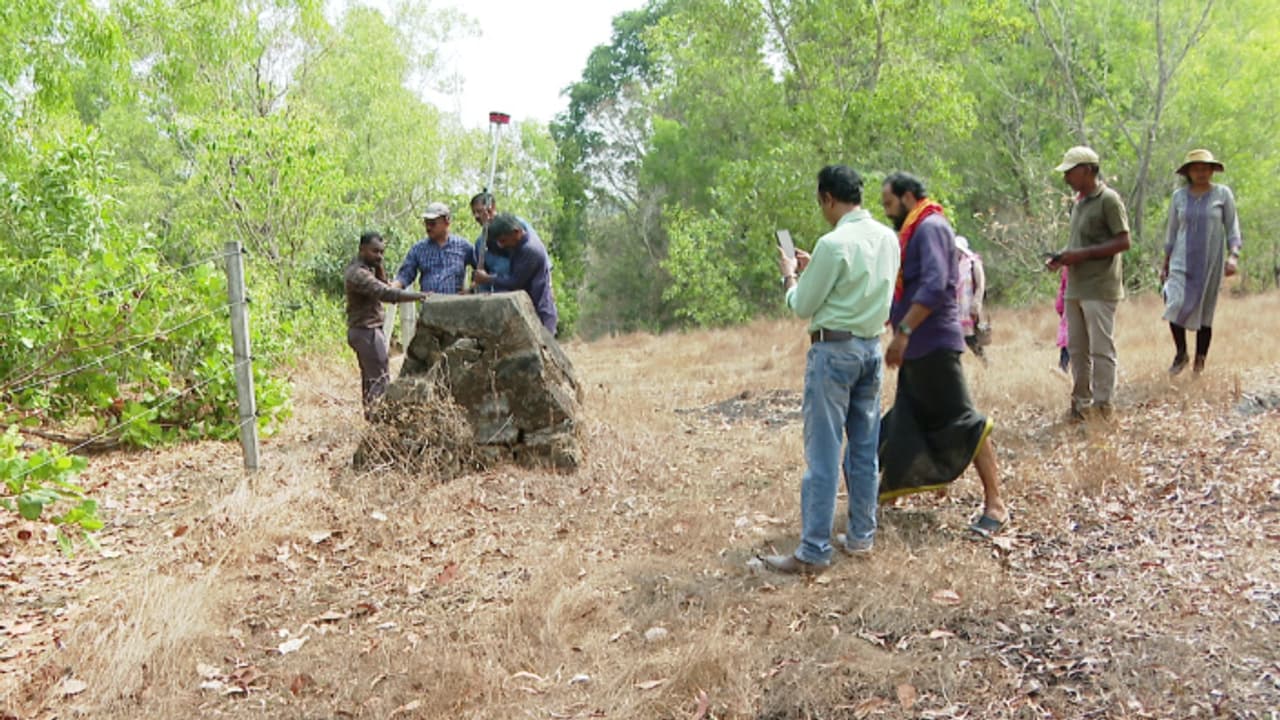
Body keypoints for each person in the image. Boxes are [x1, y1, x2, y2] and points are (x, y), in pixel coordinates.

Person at [761, 165, 899, 574]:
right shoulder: (887, 238)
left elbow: (802, 305)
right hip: (871, 348)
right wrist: (813, 267)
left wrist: (791, 279)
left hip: (833, 351)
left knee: (822, 453)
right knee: (863, 448)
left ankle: (814, 549)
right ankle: (861, 535)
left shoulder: (832, 243)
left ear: (827, 198)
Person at [878, 172, 1009, 537]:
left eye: (889, 203)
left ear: (907, 197)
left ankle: (996, 505)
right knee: (906, 420)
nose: (887, 212)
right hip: (917, 349)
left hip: (933, 342)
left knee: (964, 421)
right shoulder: (912, 231)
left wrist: (903, 332)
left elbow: (935, 287)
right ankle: (883, 501)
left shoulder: (931, 226)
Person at [1045, 146, 1131, 422]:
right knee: (1077, 349)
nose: (1067, 177)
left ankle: (1103, 406)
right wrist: (1062, 258)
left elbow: (1123, 241)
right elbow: (1080, 243)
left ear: (1087, 170)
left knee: (1101, 348)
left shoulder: (1109, 200)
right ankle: (1081, 405)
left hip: (1100, 287)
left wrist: (1079, 255)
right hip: (1076, 287)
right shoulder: (1078, 203)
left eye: (1071, 172)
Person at [1160, 149, 1242, 376]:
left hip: (1210, 263)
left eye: (1205, 168)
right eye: (1196, 168)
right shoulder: (1179, 196)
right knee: (1173, 303)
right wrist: (1165, 262)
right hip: (1180, 260)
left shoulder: (1222, 194)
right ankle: (1181, 352)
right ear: (1188, 172)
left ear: (1212, 170)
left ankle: (1200, 362)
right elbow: (1172, 231)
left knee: (1205, 312)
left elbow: (1232, 228)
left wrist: (1233, 255)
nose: (1201, 172)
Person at [344, 232, 428, 418]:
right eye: (375, 251)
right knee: (379, 380)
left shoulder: (366, 269)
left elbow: (385, 285)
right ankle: (378, 422)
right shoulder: (358, 274)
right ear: (362, 249)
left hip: (367, 330)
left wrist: (378, 264)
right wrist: (421, 296)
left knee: (371, 379)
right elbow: (387, 294)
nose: (379, 256)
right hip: (366, 331)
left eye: (382, 252)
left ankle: (373, 420)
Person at [473, 212, 559, 335]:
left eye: (503, 240)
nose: (501, 245)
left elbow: (515, 282)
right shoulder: (518, 245)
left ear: (516, 232)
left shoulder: (530, 250)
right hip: (531, 311)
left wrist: (487, 279)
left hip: (541, 314)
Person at [392, 202, 476, 295]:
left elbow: (480, 269)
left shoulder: (463, 246)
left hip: (456, 305)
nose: (428, 227)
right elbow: (405, 275)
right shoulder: (418, 249)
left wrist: (471, 289)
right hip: (429, 305)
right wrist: (392, 288)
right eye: (426, 223)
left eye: (433, 224)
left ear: (446, 221)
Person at [468, 192, 541, 294]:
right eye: (474, 212)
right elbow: (483, 276)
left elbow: (540, 257)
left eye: (479, 211)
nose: (476, 216)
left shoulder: (516, 225)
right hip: (499, 296)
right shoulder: (480, 243)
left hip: (523, 292)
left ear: (492, 208)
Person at [954, 235, 988, 359]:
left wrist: (976, 303)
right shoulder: (950, 264)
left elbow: (980, 285)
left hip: (968, 306)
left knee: (969, 336)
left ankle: (983, 360)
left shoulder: (973, 263)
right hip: (954, 306)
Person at [1055, 267, 1070, 372]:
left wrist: (1060, 309)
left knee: (1066, 349)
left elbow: (1062, 290)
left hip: (1068, 312)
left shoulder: (1067, 268)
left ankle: (1063, 368)